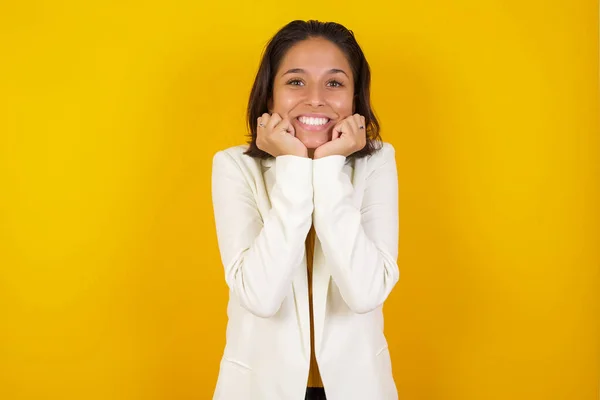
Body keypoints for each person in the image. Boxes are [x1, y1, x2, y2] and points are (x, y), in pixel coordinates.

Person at [211, 20, 400, 400]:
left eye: (335, 83)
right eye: (296, 81)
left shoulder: (377, 163)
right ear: (269, 96)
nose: (315, 99)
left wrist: (328, 168)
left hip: (359, 389)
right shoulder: (233, 166)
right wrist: (295, 165)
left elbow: (366, 293)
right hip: (258, 390)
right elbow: (260, 297)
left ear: (354, 99)